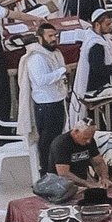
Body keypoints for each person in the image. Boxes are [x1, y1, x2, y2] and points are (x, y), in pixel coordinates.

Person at [22, 25, 71, 175]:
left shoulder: (54, 53)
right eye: (50, 36)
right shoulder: (36, 57)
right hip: (46, 104)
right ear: (40, 38)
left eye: (55, 35)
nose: (53, 39)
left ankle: (55, 170)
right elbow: (40, 80)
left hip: (57, 100)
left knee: (57, 138)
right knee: (47, 141)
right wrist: (62, 71)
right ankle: (46, 172)